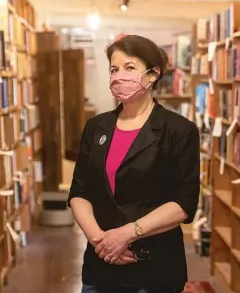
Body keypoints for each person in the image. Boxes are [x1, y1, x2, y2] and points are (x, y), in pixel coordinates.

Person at [68, 34, 201, 293]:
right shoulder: (97, 127)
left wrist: (127, 234)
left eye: (129, 68)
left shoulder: (179, 130)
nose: (119, 76)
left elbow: (183, 203)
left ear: (153, 75)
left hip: (154, 270)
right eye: (114, 69)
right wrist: (100, 241)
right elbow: (79, 191)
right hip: (100, 264)